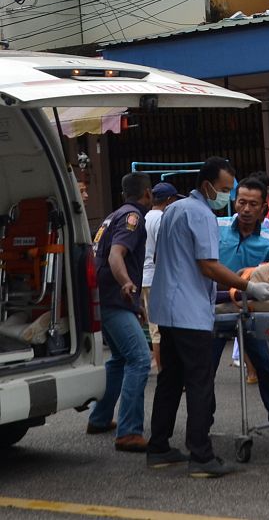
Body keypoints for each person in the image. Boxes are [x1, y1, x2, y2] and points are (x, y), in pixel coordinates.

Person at [146, 157, 269, 479]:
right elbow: (208, 265)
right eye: (224, 190)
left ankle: (159, 447)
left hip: (168, 306)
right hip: (190, 311)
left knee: (171, 379)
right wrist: (250, 287)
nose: (228, 198)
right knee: (200, 382)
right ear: (207, 186)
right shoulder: (202, 214)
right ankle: (201, 456)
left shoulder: (174, 209)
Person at [212, 177, 269, 431]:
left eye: (252, 204)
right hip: (214, 308)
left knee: (266, 365)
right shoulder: (217, 227)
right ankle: (203, 421)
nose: (246, 209)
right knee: (204, 370)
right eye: (241, 202)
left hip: (250, 311)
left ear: (263, 208)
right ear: (234, 202)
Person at [86, 172, 153, 453]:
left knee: (118, 360)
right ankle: (128, 432)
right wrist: (127, 284)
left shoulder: (113, 215)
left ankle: (100, 418)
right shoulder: (132, 218)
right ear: (147, 193)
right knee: (139, 359)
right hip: (114, 298)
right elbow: (116, 255)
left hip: (106, 299)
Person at [141, 182, 183, 374]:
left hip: (144, 277)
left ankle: (163, 370)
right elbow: (163, 252)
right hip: (158, 278)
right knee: (161, 329)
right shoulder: (162, 218)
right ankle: (164, 371)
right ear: (169, 200)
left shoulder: (145, 217)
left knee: (154, 328)